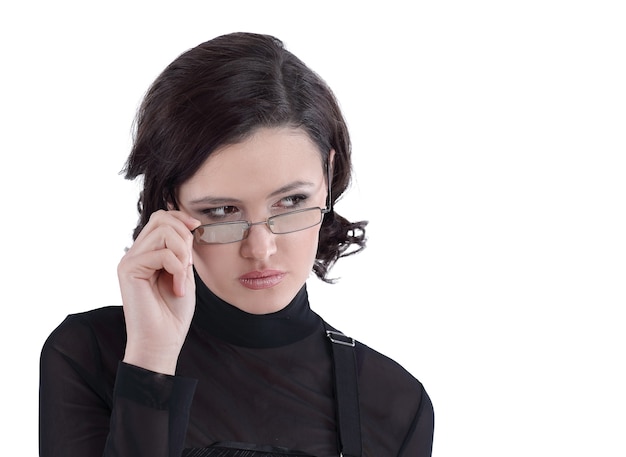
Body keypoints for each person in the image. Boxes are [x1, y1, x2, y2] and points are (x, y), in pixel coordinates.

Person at [39, 32, 434, 457]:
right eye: (223, 211)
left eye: (291, 201)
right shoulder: (90, 355)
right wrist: (151, 362)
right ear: (172, 203)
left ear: (329, 176)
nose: (260, 248)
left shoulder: (392, 402)